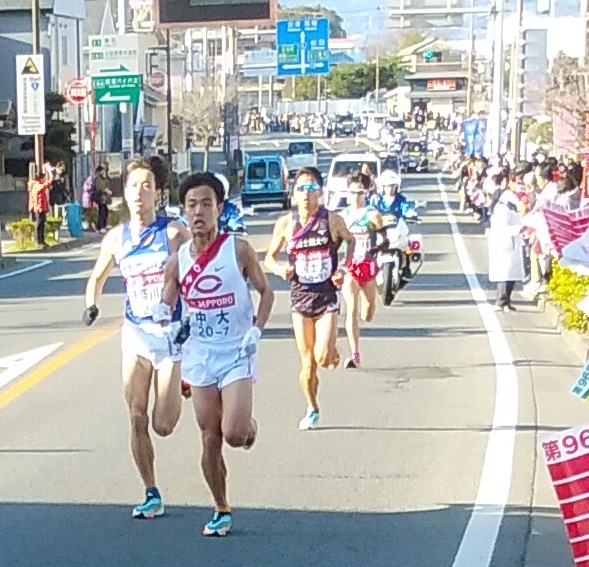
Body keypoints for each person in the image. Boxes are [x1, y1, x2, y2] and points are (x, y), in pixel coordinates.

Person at [155, 172, 275, 536]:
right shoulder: (177, 261)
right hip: (201, 355)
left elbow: (266, 292)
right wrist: (165, 318)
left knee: (234, 434)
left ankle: (248, 428)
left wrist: (256, 329)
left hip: (236, 352)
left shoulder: (237, 249)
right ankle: (221, 507)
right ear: (184, 211)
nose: (198, 212)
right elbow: (168, 299)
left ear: (219, 209)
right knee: (210, 436)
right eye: (191, 205)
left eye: (206, 204)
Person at [82, 158, 191, 519]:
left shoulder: (174, 232)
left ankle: (180, 383)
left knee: (163, 425)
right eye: (133, 186)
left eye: (147, 185)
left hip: (170, 336)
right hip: (136, 334)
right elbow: (97, 277)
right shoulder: (117, 237)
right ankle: (151, 491)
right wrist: (91, 306)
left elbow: (197, 269)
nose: (139, 193)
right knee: (136, 417)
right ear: (124, 193)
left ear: (158, 193)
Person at [265, 167, 355, 430]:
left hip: (326, 295)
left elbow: (351, 242)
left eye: (312, 189)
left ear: (321, 192)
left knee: (322, 358)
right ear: (293, 194)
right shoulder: (286, 224)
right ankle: (312, 407)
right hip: (300, 298)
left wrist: (343, 269)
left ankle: (332, 353)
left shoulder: (332, 221)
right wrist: (280, 269)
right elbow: (270, 257)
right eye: (301, 189)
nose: (306, 195)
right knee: (308, 364)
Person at [339, 172, 385, 369]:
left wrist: (378, 249)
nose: (356, 196)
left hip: (368, 266)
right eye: (352, 192)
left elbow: (384, 238)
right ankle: (354, 354)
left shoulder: (372, 215)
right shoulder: (341, 217)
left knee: (368, 312)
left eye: (360, 192)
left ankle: (372, 303)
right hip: (350, 267)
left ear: (366, 193)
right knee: (352, 311)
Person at [488, 187, 525, 312]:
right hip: (504, 244)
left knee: (511, 274)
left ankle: (506, 301)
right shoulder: (502, 209)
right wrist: (518, 229)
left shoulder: (508, 208)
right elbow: (503, 228)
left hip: (511, 244)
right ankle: (501, 301)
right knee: (505, 273)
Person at [28, 170, 51, 248]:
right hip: (39, 208)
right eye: (43, 177)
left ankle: (42, 241)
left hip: (42, 207)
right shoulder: (37, 185)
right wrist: (50, 177)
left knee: (42, 225)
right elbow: (45, 185)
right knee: (39, 225)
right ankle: (39, 241)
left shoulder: (36, 184)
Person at [93, 166, 112, 233]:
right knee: (102, 213)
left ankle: (103, 225)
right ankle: (100, 227)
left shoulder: (104, 178)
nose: (104, 172)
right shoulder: (98, 179)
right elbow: (100, 188)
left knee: (105, 212)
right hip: (100, 198)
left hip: (104, 198)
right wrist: (106, 191)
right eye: (103, 170)